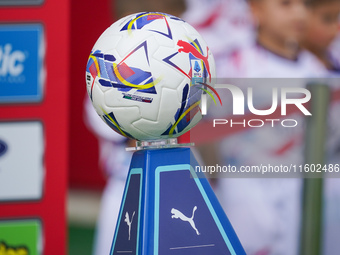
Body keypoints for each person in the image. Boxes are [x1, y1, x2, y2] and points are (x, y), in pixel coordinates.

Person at [212, 0, 328, 254]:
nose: (298, 13)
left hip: (301, 195)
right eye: (285, 4)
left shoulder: (318, 72)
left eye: (305, 5)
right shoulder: (231, 66)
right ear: (256, 11)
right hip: (244, 198)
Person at [85, 1, 187, 255]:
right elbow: (117, 127)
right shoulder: (106, 78)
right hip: (126, 189)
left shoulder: (188, 74)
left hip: (182, 186)